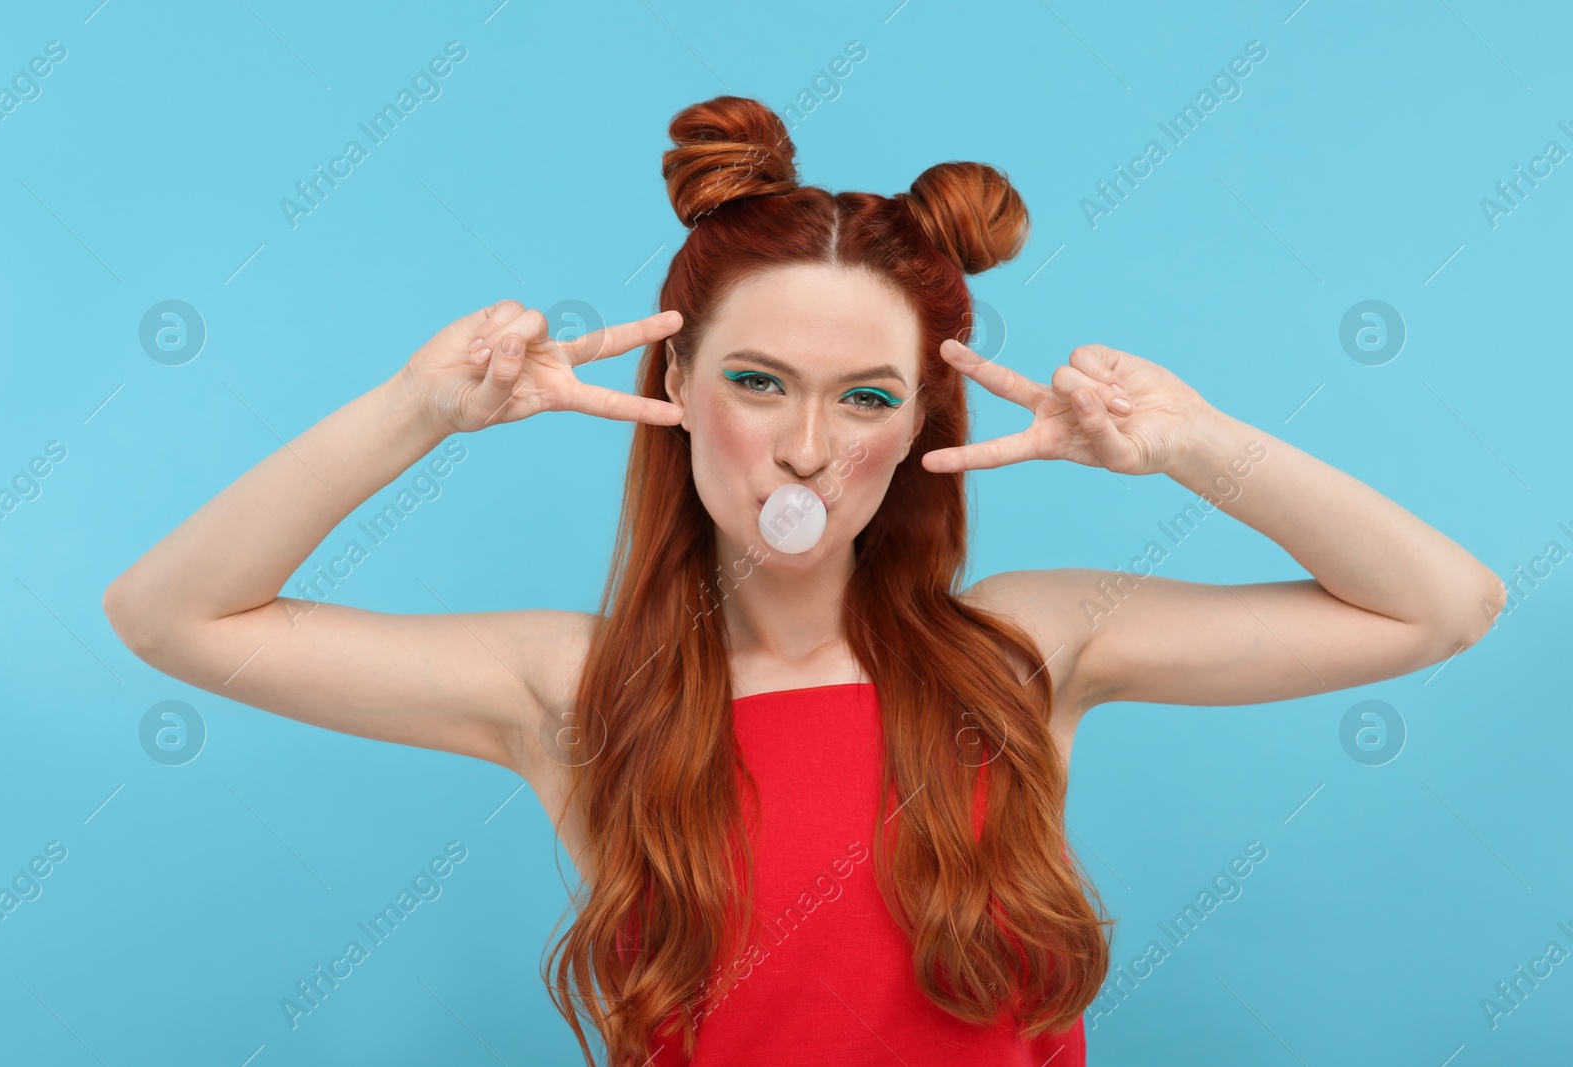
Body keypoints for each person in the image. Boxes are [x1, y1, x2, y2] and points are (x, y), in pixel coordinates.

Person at [103, 95, 1507, 1066]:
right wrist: (416, 411)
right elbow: (170, 616)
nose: (807, 447)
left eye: (866, 397)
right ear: (674, 384)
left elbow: (1443, 605)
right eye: (761, 382)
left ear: (918, 428)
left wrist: (1197, 445)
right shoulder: (572, 690)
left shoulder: (1030, 647)